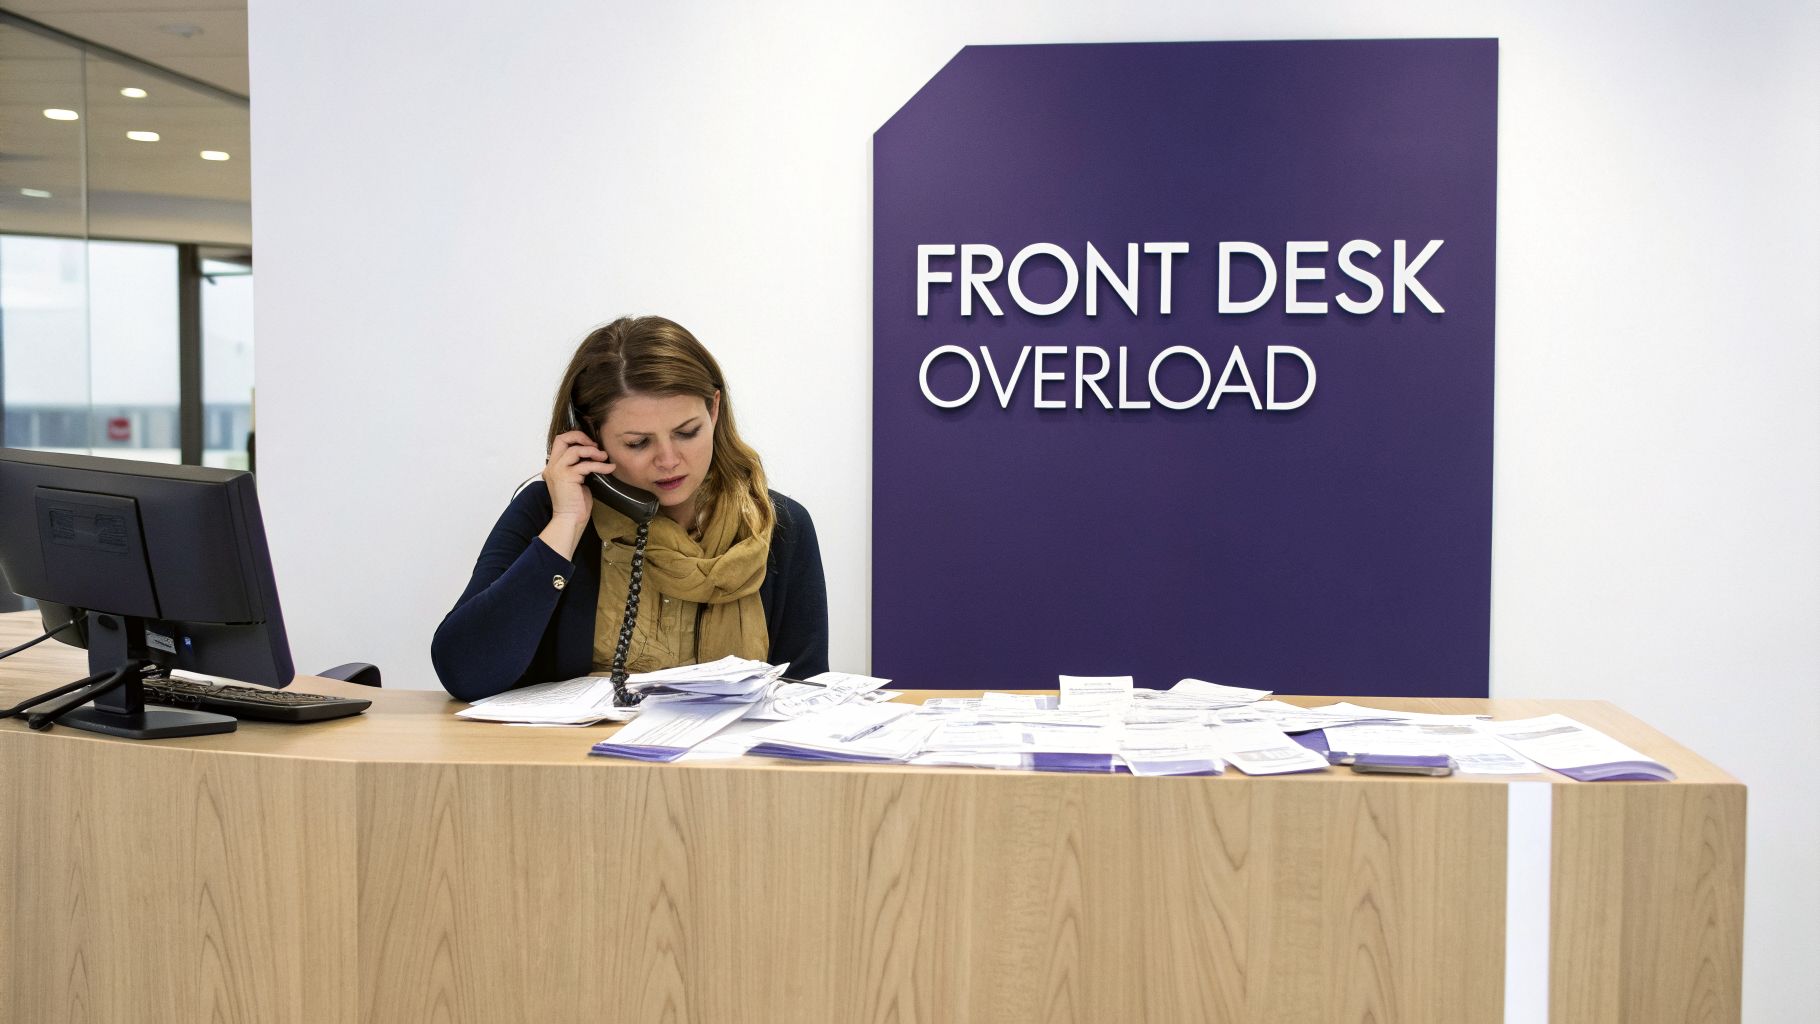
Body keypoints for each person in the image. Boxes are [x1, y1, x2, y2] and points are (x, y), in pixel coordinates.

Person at [432, 316, 828, 702]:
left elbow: (803, 697)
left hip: (725, 766)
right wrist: (566, 526)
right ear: (590, 434)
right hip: (575, 763)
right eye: (638, 443)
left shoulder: (779, 526)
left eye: (687, 432)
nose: (669, 459)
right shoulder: (549, 511)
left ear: (714, 410)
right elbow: (465, 673)